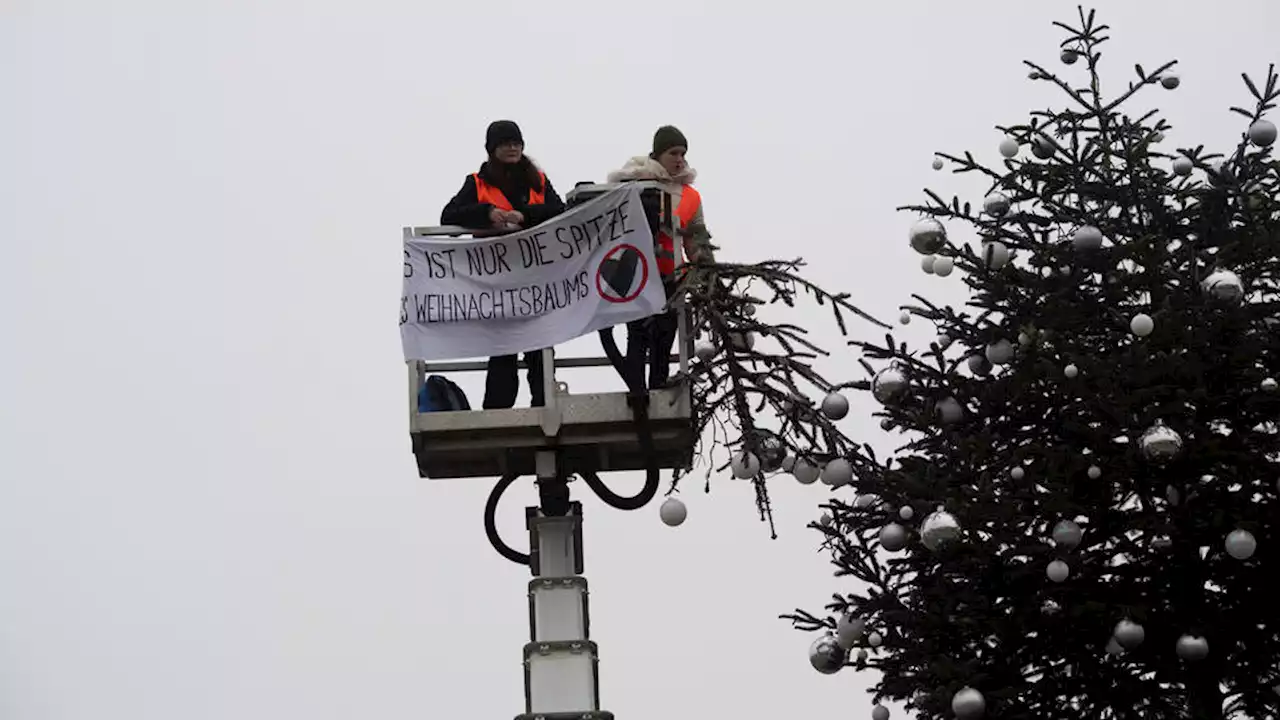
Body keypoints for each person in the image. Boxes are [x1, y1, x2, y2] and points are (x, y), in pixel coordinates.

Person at [441, 120, 566, 409]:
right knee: (502, 351)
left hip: (536, 278)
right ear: (492, 149)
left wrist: (524, 215)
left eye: (517, 143)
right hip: (497, 282)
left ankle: (545, 408)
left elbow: (560, 212)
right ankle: (496, 410)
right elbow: (449, 216)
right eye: (505, 143)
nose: (512, 147)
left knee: (540, 350)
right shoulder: (476, 182)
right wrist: (488, 212)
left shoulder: (540, 181)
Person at [606, 125, 714, 389]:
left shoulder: (690, 195)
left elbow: (695, 237)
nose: (679, 159)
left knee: (665, 338)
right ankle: (637, 392)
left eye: (683, 154)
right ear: (658, 154)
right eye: (673, 153)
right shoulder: (631, 183)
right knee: (638, 335)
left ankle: (657, 387)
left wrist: (708, 268)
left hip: (672, 276)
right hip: (637, 273)